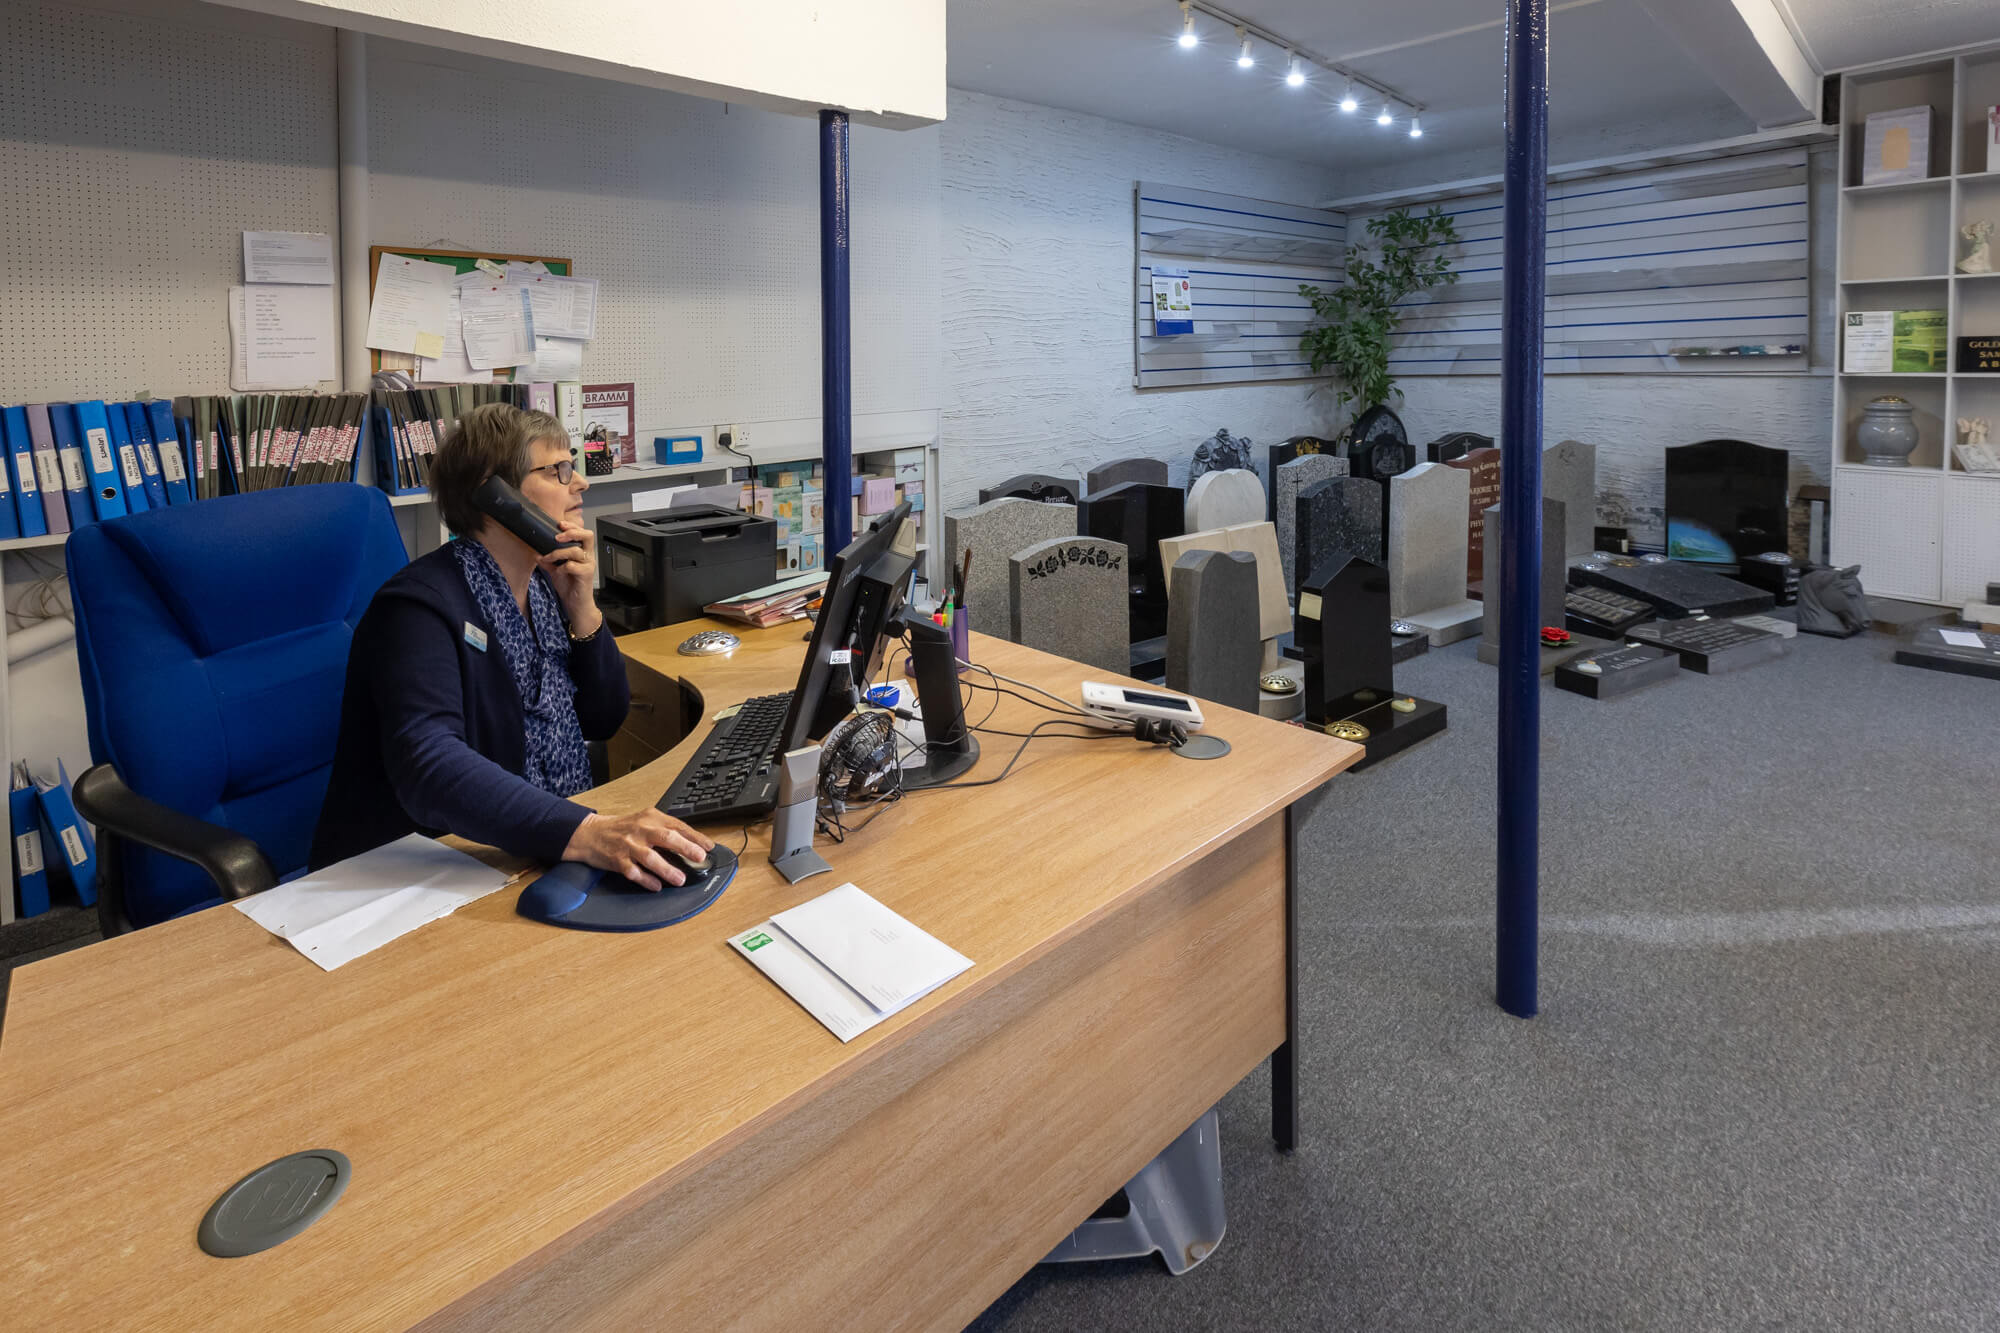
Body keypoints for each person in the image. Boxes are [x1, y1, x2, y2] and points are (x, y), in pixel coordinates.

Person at [312, 403, 711, 888]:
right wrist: (583, 830)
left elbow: (603, 718)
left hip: (525, 851)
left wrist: (583, 609)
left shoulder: (545, 586)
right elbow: (429, 765)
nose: (580, 482)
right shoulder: (419, 608)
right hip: (418, 875)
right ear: (494, 493)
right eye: (560, 470)